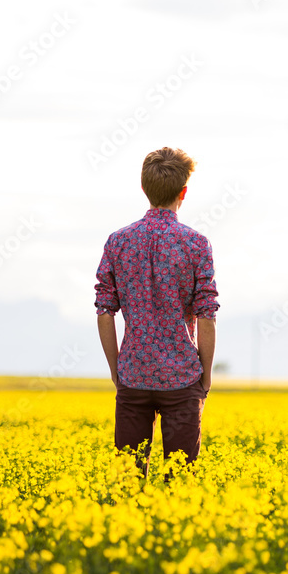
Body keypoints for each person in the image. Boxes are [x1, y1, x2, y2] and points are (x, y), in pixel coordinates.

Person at [94, 147, 219, 483]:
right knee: (179, 483)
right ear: (184, 192)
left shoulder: (117, 242)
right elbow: (206, 314)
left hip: (132, 377)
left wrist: (116, 369)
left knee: (127, 484)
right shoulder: (196, 244)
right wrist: (205, 375)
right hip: (182, 379)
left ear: (143, 189)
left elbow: (105, 311)